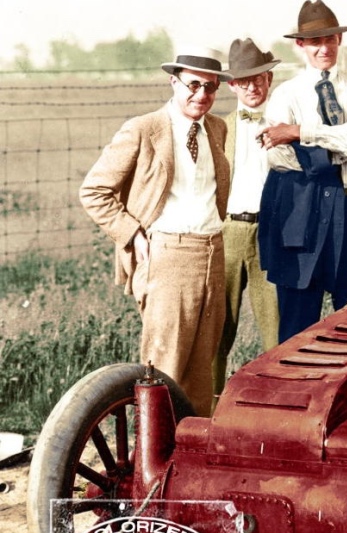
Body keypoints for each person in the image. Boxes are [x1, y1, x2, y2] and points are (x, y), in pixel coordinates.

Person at [80, 46, 231, 417]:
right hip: (168, 257)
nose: (202, 95)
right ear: (173, 81)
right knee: (163, 368)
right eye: (193, 85)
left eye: (211, 87)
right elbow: (94, 191)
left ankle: (189, 460)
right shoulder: (143, 129)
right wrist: (132, 233)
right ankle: (150, 462)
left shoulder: (216, 128)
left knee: (201, 370)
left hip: (213, 252)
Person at [257, 0, 347, 342]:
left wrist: (301, 133)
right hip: (301, 209)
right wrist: (340, 146)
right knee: (297, 323)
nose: (324, 48)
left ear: (339, 41)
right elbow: (282, 156)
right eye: (315, 42)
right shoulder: (285, 95)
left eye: (330, 39)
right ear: (300, 46)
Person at [213, 38, 281, 400]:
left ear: (269, 79)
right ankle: (206, 410)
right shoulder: (219, 128)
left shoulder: (287, 124)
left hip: (272, 233)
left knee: (277, 329)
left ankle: (276, 408)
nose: (253, 86)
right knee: (218, 328)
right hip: (229, 231)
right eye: (244, 80)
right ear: (231, 85)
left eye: (259, 78)